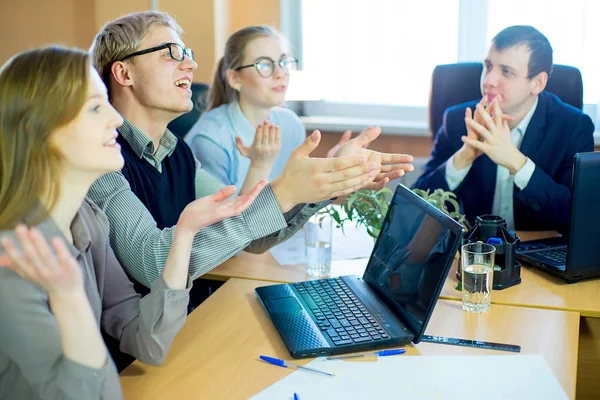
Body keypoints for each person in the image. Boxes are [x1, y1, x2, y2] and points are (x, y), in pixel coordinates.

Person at [0, 47, 265, 400]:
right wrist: (70, 301)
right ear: (39, 130)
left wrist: (184, 234)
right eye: (95, 108)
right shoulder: (14, 260)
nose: (116, 119)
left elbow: (147, 342)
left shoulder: (87, 221)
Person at [88, 11, 415, 290]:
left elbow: (250, 231)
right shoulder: (99, 160)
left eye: (186, 52)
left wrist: (325, 181)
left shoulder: (177, 153)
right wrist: (285, 189)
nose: (191, 63)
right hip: (136, 353)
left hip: (188, 319)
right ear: (124, 73)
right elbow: (155, 266)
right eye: (171, 53)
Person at [414, 25, 595, 232]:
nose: (489, 80)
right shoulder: (458, 120)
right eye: (488, 66)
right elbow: (416, 206)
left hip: (537, 255)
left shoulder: (573, 127)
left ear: (537, 83)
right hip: (476, 256)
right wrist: (464, 158)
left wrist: (517, 162)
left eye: (506, 72)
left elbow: (576, 220)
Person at [185, 25, 353, 193]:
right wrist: (259, 166)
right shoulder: (210, 139)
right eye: (264, 65)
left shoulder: (291, 124)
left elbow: (296, 197)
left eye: (283, 62)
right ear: (235, 79)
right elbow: (224, 218)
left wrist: (333, 168)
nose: (280, 73)